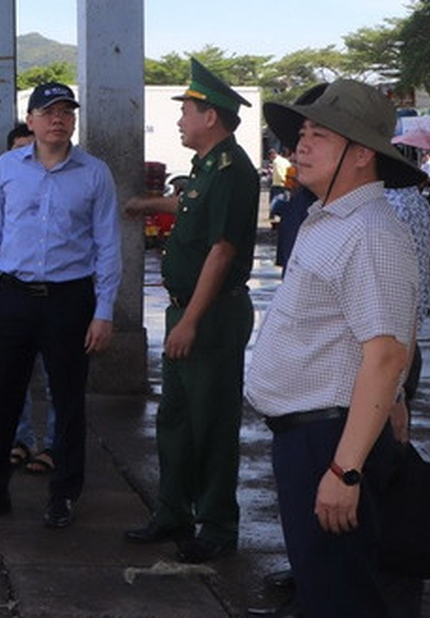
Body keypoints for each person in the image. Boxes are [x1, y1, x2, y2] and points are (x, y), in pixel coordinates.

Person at [246, 79, 425, 618]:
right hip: (309, 438)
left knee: (342, 599)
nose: (301, 145)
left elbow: (387, 356)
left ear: (362, 153)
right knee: (323, 589)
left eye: (319, 135)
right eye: (302, 133)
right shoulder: (328, 217)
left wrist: (346, 471)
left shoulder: (370, 231)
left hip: (331, 440)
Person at [0, 82, 122, 529]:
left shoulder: (95, 173)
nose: (58, 120)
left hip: (70, 298)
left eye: (66, 112)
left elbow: (108, 245)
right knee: (0, 398)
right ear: (31, 120)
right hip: (13, 295)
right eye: (48, 112)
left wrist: (104, 310)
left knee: (68, 401)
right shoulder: (7, 168)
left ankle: (63, 494)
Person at [123, 58, 259, 563]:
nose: (180, 120)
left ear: (211, 117)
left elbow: (221, 251)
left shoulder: (232, 170)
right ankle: (173, 512)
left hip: (212, 316)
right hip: (186, 313)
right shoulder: (207, 166)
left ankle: (218, 525)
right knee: (176, 420)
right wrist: (148, 204)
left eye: (186, 111)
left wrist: (192, 322)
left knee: (212, 422)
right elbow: (192, 208)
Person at [3, 122, 56, 475]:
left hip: (59, 296)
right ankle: (21, 439)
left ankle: (54, 445)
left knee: (57, 378)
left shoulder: (70, 181)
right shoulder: (5, 182)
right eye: (20, 149)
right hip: (14, 292)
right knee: (15, 376)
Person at [267, 148, 293, 223]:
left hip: (277, 183)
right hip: (286, 184)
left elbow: (279, 173)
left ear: (272, 155)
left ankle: (272, 215)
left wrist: (282, 179)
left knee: (274, 200)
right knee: (284, 200)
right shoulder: (286, 161)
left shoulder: (276, 162)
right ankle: (282, 215)